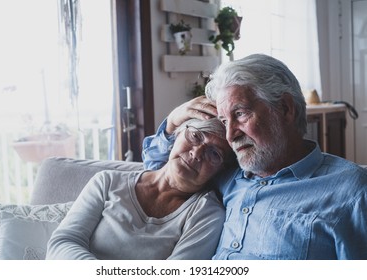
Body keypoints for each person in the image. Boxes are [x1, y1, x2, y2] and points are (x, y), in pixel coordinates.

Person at [142, 53, 367, 260]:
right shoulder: (227, 175)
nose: (230, 135)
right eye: (224, 121)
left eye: (240, 114)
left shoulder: (351, 191)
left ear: (286, 109)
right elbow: (160, 169)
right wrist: (172, 121)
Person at [46, 118, 235, 260]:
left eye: (214, 153)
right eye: (195, 136)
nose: (196, 153)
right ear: (178, 134)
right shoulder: (107, 182)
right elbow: (62, 243)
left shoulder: (207, 214)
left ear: (221, 170)